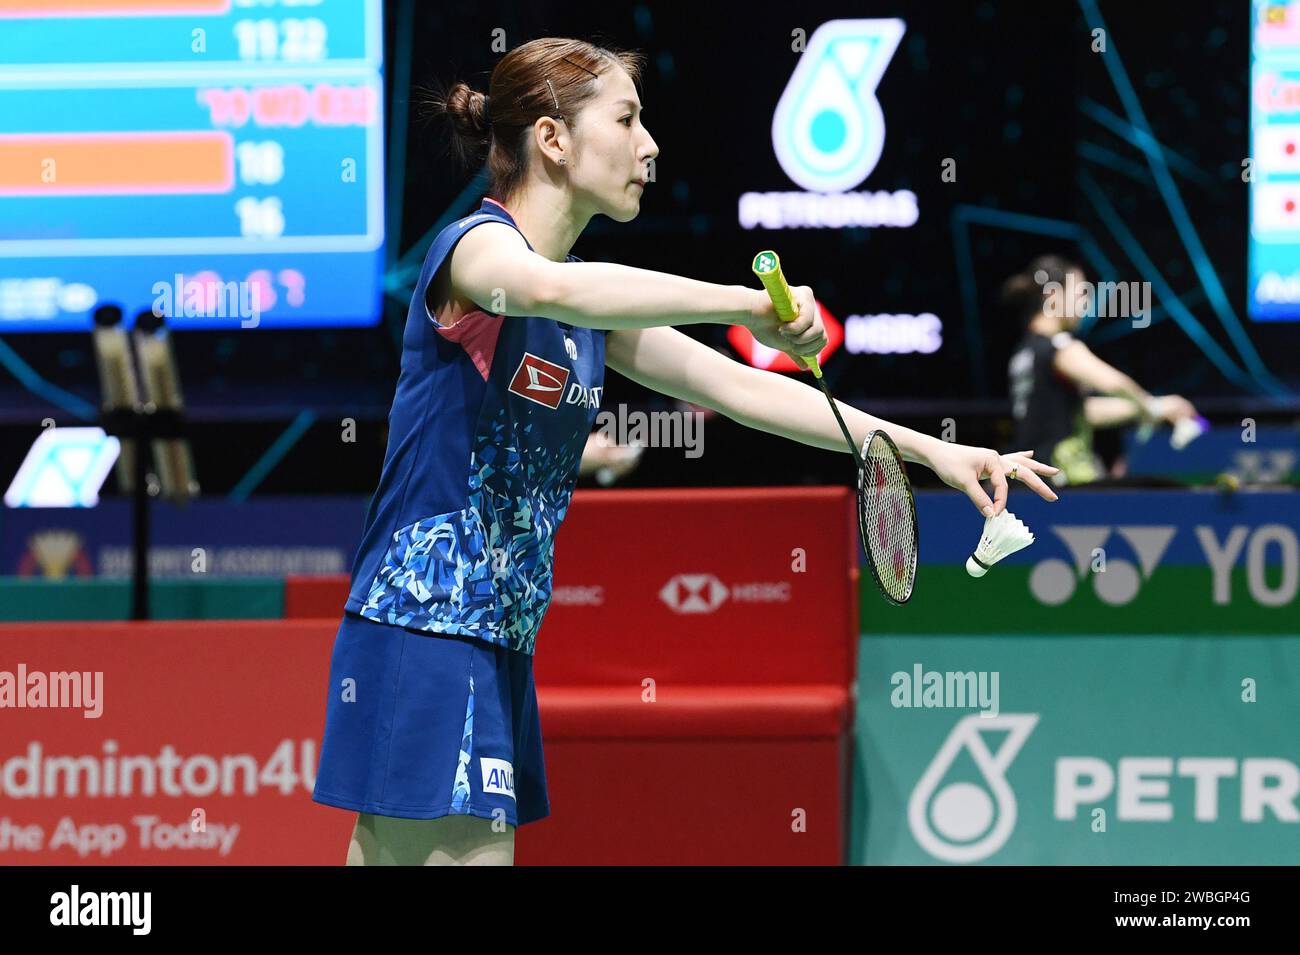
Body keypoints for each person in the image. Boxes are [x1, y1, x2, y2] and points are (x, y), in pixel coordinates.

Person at [311, 36, 1060, 866]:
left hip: (496, 639)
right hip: (426, 624)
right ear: (553, 140)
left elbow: (738, 390)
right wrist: (747, 302)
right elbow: (548, 285)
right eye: (626, 120)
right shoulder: (476, 252)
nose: (650, 145)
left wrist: (930, 452)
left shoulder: (586, 310)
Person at [1004, 255, 1200, 484]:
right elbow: (1114, 383)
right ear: (1053, 297)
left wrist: (1154, 407)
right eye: (1080, 293)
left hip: (1028, 477)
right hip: (1058, 477)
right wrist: (1152, 407)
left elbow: (1081, 413)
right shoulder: (1060, 346)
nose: (1086, 303)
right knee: (1162, 489)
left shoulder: (1025, 353)